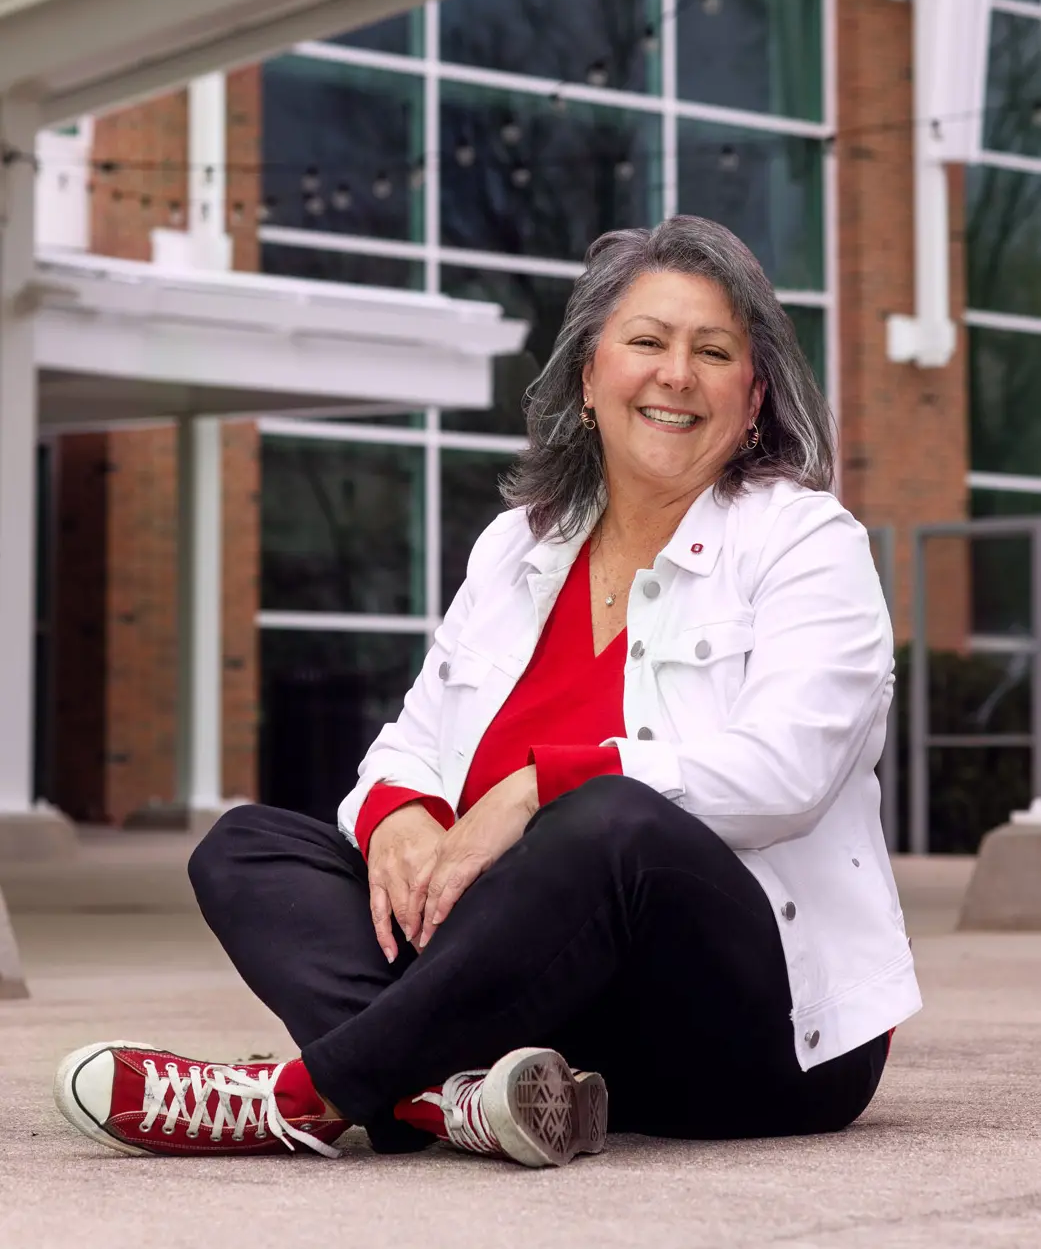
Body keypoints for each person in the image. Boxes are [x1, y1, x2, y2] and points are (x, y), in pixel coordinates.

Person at [53, 216, 921, 1168]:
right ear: (587, 379)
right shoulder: (519, 546)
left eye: (712, 352)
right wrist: (397, 817)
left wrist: (536, 787)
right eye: (645, 342)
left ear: (751, 399)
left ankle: (299, 1098)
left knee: (609, 820)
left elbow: (784, 774)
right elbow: (409, 743)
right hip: (547, 1030)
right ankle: (454, 1099)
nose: (676, 374)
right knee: (247, 847)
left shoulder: (804, 541)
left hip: (754, 1038)